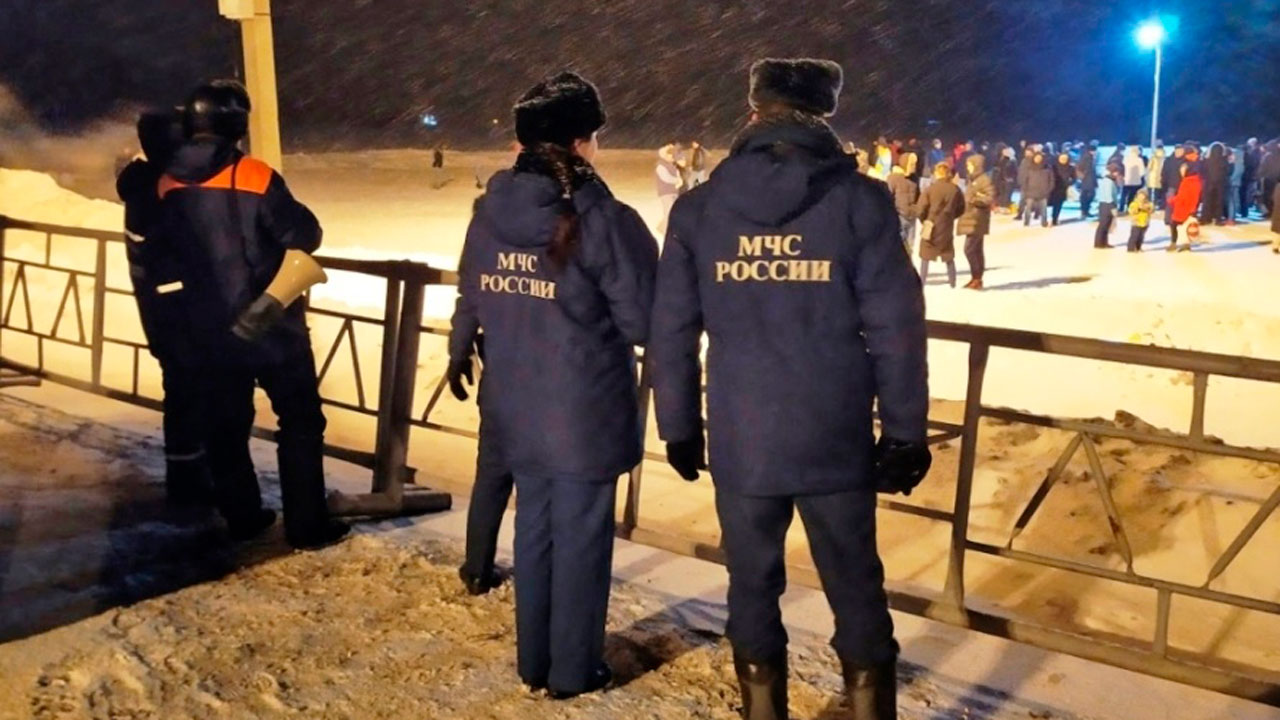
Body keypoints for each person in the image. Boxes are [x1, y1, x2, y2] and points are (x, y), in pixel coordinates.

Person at [649, 57, 930, 720]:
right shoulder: (859, 201)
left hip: (744, 431)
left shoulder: (700, 208)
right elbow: (896, 327)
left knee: (750, 583)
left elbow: (672, 328)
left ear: (754, 112)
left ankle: (762, 709)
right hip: (833, 430)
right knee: (855, 582)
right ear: (823, 115)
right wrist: (905, 431)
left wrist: (678, 424)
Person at [453, 71, 658, 698]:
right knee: (581, 543)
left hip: (515, 403)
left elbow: (475, 295)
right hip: (582, 410)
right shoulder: (603, 220)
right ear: (579, 144)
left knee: (535, 531)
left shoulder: (489, 215)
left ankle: (534, 662)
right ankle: (573, 670)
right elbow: (645, 320)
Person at [156, 80, 348, 547]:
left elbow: (168, 253)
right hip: (271, 325)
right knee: (300, 423)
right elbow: (304, 234)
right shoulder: (255, 175)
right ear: (237, 124)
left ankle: (242, 514)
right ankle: (306, 525)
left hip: (208, 328)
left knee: (225, 426)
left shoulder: (167, 182)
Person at [116, 109, 216, 506]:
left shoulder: (142, 183)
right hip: (179, 311)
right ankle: (191, 484)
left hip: (162, 308)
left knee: (183, 392)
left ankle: (188, 475)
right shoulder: (159, 191)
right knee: (190, 394)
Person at [917, 162, 965, 287]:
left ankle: (922, 280)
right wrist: (951, 217)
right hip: (946, 225)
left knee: (925, 255)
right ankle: (952, 281)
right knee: (948, 254)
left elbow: (921, 209)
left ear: (937, 173)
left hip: (931, 224)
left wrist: (924, 220)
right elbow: (961, 208)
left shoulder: (930, 189)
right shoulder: (955, 189)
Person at [957, 155, 993, 290]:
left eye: (970, 165)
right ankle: (976, 278)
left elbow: (989, 198)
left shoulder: (984, 180)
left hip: (977, 219)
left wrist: (974, 200)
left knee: (970, 249)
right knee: (976, 249)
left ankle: (977, 277)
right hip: (971, 218)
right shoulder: (973, 179)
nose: (968, 167)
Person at [1169, 150, 1203, 252]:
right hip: (1186, 207)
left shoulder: (1189, 182)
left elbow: (1185, 196)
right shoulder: (1193, 181)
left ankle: (1175, 243)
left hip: (1184, 207)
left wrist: (1172, 200)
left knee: (1175, 224)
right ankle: (1184, 244)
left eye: (1183, 170)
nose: (1181, 172)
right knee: (1183, 225)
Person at [887, 154, 920, 256]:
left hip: (912, 218)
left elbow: (918, 197)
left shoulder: (914, 178)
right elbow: (888, 197)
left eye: (915, 164)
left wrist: (917, 210)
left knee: (910, 248)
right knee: (897, 248)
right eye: (912, 164)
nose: (914, 166)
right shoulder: (893, 178)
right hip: (899, 217)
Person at [656, 143, 683, 234]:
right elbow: (666, 178)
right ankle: (664, 230)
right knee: (668, 211)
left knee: (673, 211)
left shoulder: (671, 164)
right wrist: (677, 180)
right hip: (665, 192)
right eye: (670, 155)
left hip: (673, 191)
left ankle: (663, 228)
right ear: (665, 155)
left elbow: (677, 173)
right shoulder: (661, 165)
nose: (672, 157)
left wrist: (679, 179)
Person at [1201, 142, 1230, 225]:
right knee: (1219, 201)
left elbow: (1203, 170)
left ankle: (1205, 218)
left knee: (1207, 201)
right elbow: (1228, 171)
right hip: (1220, 183)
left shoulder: (1207, 160)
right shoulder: (1224, 160)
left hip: (1208, 182)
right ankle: (1218, 219)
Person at [1022, 152, 1053, 228]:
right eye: (1036, 158)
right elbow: (1025, 180)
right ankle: (1026, 222)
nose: (1038, 159)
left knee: (1044, 209)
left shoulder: (1047, 168)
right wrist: (1025, 189)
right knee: (1028, 208)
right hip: (1030, 191)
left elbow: (1052, 180)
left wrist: (1048, 189)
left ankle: (1044, 222)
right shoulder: (1029, 168)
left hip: (1043, 192)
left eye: (1040, 158)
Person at [1094, 167, 1120, 249]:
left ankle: (1104, 242)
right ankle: (1099, 243)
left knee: (1106, 225)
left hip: (1105, 204)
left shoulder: (1108, 181)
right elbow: (1109, 196)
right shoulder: (1108, 182)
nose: (1117, 174)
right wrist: (1113, 206)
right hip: (1107, 205)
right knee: (1103, 225)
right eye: (1116, 172)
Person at [1049, 153, 1076, 226]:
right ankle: (1049, 218)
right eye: (1062, 158)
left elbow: (1074, 178)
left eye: (1065, 159)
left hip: (1063, 189)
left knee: (1058, 204)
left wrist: (1069, 183)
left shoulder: (1071, 168)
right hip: (1053, 188)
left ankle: (1054, 219)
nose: (1063, 160)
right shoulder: (1054, 167)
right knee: (1051, 204)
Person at [1076, 142, 1098, 219]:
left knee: (1086, 196)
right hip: (1087, 180)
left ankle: (1085, 211)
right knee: (1088, 195)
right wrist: (1083, 176)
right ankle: (1085, 211)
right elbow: (1081, 168)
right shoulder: (1087, 157)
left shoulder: (1088, 157)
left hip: (1088, 180)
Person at [1121, 145, 1146, 211]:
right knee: (1132, 196)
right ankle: (1130, 208)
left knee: (1124, 195)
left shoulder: (1126, 159)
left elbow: (1122, 169)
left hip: (1126, 181)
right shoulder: (1139, 160)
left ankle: (1121, 208)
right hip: (1136, 182)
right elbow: (1142, 172)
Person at [1014, 146, 1035, 221]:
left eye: (1029, 152)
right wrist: (1020, 180)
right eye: (1026, 152)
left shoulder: (1034, 161)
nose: (1027, 154)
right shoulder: (1023, 161)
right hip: (1024, 184)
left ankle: (1033, 213)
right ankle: (1019, 214)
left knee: (1031, 200)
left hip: (1032, 184)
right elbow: (1021, 172)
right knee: (1022, 200)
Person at [995, 146, 1018, 212]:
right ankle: (1001, 206)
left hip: (1009, 181)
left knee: (1007, 194)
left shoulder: (1013, 160)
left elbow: (1015, 171)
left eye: (1006, 152)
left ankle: (1005, 207)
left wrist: (1011, 178)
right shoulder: (1003, 159)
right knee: (1002, 193)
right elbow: (1000, 169)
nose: (1004, 153)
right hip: (1001, 179)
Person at [1227, 147, 1244, 226]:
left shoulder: (1238, 164)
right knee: (1233, 200)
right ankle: (1231, 217)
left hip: (1233, 183)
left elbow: (1237, 173)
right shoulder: (1239, 163)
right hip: (1235, 183)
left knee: (1232, 201)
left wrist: (1230, 180)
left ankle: (1231, 219)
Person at [1148, 145, 1166, 209]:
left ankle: (1151, 205)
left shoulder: (1153, 157)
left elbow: (1149, 167)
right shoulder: (1164, 158)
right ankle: (1159, 205)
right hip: (1162, 176)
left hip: (1152, 177)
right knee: (1160, 192)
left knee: (1151, 192)